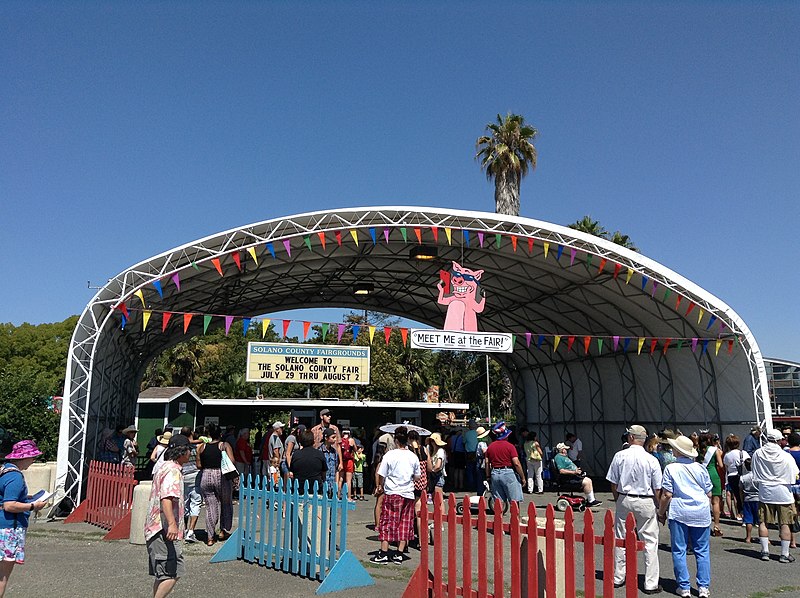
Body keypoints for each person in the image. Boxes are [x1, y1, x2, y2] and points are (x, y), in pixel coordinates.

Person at [606, 425, 663, 594]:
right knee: (650, 541)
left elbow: (613, 482)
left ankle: (618, 577)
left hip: (625, 497)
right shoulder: (652, 459)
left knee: (620, 537)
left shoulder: (620, 456)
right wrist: (659, 507)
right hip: (646, 499)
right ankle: (651, 583)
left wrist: (618, 499)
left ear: (631, 437)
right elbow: (657, 487)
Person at [657, 435, 713, 598]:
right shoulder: (700, 468)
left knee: (679, 549)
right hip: (700, 511)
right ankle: (703, 587)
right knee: (702, 550)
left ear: (677, 450)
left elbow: (667, 494)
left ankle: (684, 586)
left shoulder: (671, 468)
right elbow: (709, 492)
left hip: (679, 511)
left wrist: (661, 513)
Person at [0, 440, 49, 598]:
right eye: (32, 457)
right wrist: (33, 506)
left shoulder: (4, 471)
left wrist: (26, 498)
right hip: (9, 528)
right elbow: (9, 505)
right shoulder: (16, 477)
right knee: (3, 576)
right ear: (23, 458)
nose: (34, 460)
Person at [145, 441, 191, 598]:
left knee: (163, 574)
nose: (190, 453)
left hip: (155, 526)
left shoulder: (163, 467)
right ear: (181, 452)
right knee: (173, 571)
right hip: (162, 528)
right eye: (189, 450)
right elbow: (167, 498)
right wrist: (172, 524)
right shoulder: (173, 471)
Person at [370, 426, 422, 564]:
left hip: (393, 491)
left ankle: (384, 552)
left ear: (395, 439)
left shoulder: (390, 455)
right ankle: (399, 553)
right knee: (405, 522)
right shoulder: (413, 456)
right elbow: (417, 476)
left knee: (388, 522)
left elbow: (381, 473)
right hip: (408, 493)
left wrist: (380, 485)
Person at [751, 428, 800, 563]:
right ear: (779, 440)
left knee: (763, 521)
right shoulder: (785, 455)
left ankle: (765, 551)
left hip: (765, 490)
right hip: (783, 491)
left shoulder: (758, 453)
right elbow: (795, 473)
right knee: (785, 522)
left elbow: (754, 472)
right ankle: (784, 554)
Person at [197, 423, 235, 546]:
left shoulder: (201, 447)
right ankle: (223, 530)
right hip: (221, 475)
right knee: (226, 503)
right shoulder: (224, 445)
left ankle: (210, 537)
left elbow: (199, 465)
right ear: (220, 434)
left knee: (210, 506)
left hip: (206, 474)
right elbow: (232, 460)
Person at [484, 422, 525, 508]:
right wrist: (522, 477)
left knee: (498, 502)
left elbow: (487, 463)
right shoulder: (510, 446)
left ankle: (499, 519)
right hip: (508, 472)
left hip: (494, 473)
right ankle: (515, 519)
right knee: (514, 501)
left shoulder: (490, 447)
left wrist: (488, 477)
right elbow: (516, 463)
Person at [172, 428, 201, 544]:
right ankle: (191, 531)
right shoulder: (197, 447)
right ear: (191, 434)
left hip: (183, 475)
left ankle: (183, 529)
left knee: (184, 503)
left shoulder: (179, 448)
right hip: (195, 476)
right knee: (196, 502)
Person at [554, 442, 602, 507]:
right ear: (562, 450)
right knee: (586, 482)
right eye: (566, 449)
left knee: (588, 480)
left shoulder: (564, 457)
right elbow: (561, 471)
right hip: (567, 478)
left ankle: (591, 500)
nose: (567, 450)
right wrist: (574, 472)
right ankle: (591, 501)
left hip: (573, 475)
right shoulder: (558, 458)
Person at [698, 433, 725, 536]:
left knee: (703, 501)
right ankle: (716, 526)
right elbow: (721, 465)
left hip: (701, 475)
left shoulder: (698, 450)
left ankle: (702, 525)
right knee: (715, 502)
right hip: (713, 474)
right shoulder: (715, 450)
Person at [722, 434, 748, 521]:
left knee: (737, 496)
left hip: (731, 477)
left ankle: (740, 513)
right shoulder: (743, 453)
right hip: (742, 476)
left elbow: (726, 467)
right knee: (744, 496)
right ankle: (746, 514)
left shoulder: (726, 455)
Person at [739, 457, 760, 544]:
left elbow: (741, 490)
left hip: (747, 499)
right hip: (758, 499)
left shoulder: (743, 477)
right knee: (761, 520)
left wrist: (742, 500)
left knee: (748, 519)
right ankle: (765, 537)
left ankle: (748, 537)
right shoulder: (759, 477)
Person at [319, 428, 339, 496]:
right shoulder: (320, 451)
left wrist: (336, 484)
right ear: (326, 438)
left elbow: (336, 469)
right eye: (333, 437)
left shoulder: (334, 452)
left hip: (332, 485)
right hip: (323, 484)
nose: (335, 439)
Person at [427, 433, 448, 498]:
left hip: (438, 474)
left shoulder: (440, 451)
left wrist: (432, 470)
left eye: (433, 441)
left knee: (439, 499)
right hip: (433, 475)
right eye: (431, 441)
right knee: (435, 498)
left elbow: (438, 465)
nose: (432, 443)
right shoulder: (432, 450)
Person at [463, 420, 479, 492]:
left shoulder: (466, 434)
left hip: (469, 453)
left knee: (469, 470)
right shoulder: (478, 433)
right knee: (477, 470)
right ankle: (477, 484)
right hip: (477, 453)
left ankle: (471, 485)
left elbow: (463, 442)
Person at [340, 429, 356, 499]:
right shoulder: (351, 440)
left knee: (340, 479)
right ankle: (349, 497)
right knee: (348, 480)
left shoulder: (340, 440)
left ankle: (337, 496)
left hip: (342, 461)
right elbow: (355, 449)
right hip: (349, 461)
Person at [475, 426, 490, 493]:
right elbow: (485, 452)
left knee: (480, 478)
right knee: (482, 478)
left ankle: (481, 492)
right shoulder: (482, 443)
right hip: (481, 461)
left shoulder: (479, 443)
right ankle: (481, 493)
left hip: (479, 461)